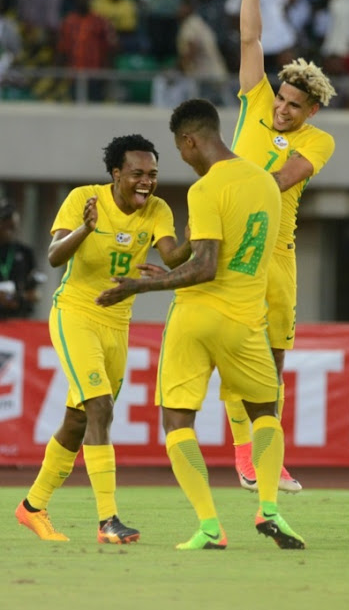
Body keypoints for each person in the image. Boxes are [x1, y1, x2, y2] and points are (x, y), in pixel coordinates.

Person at [96, 98, 304, 551]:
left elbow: (206, 265)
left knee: (177, 420)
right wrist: (171, 267)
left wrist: (145, 286)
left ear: (190, 140)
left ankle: (210, 526)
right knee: (265, 413)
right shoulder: (267, 185)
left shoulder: (206, 189)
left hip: (197, 317)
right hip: (248, 319)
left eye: (180, 149)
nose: (183, 158)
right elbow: (235, 252)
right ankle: (269, 510)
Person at [15, 133, 191, 544]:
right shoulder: (84, 199)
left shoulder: (158, 209)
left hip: (117, 324)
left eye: (152, 174)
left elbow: (170, 256)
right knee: (100, 405)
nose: (146, 181)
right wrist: (85, 229)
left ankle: (32, 507)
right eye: (137, 174)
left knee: (80, 419)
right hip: (75, 313)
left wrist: (195, 239)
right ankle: (107, 520)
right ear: (116, 174)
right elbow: (55, 255)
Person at [223, 0, 337, 494]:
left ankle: (269, 458)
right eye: (280, 100)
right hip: (232, 252)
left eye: (294, 106)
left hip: (279, 256)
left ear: (310, 109)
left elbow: (282, 181)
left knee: (273, 360)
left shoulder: (319, 142)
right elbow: (251, 36)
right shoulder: (255, 104)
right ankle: (245, 454)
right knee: (234, 350)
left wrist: (236, 185)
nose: (282, 110)